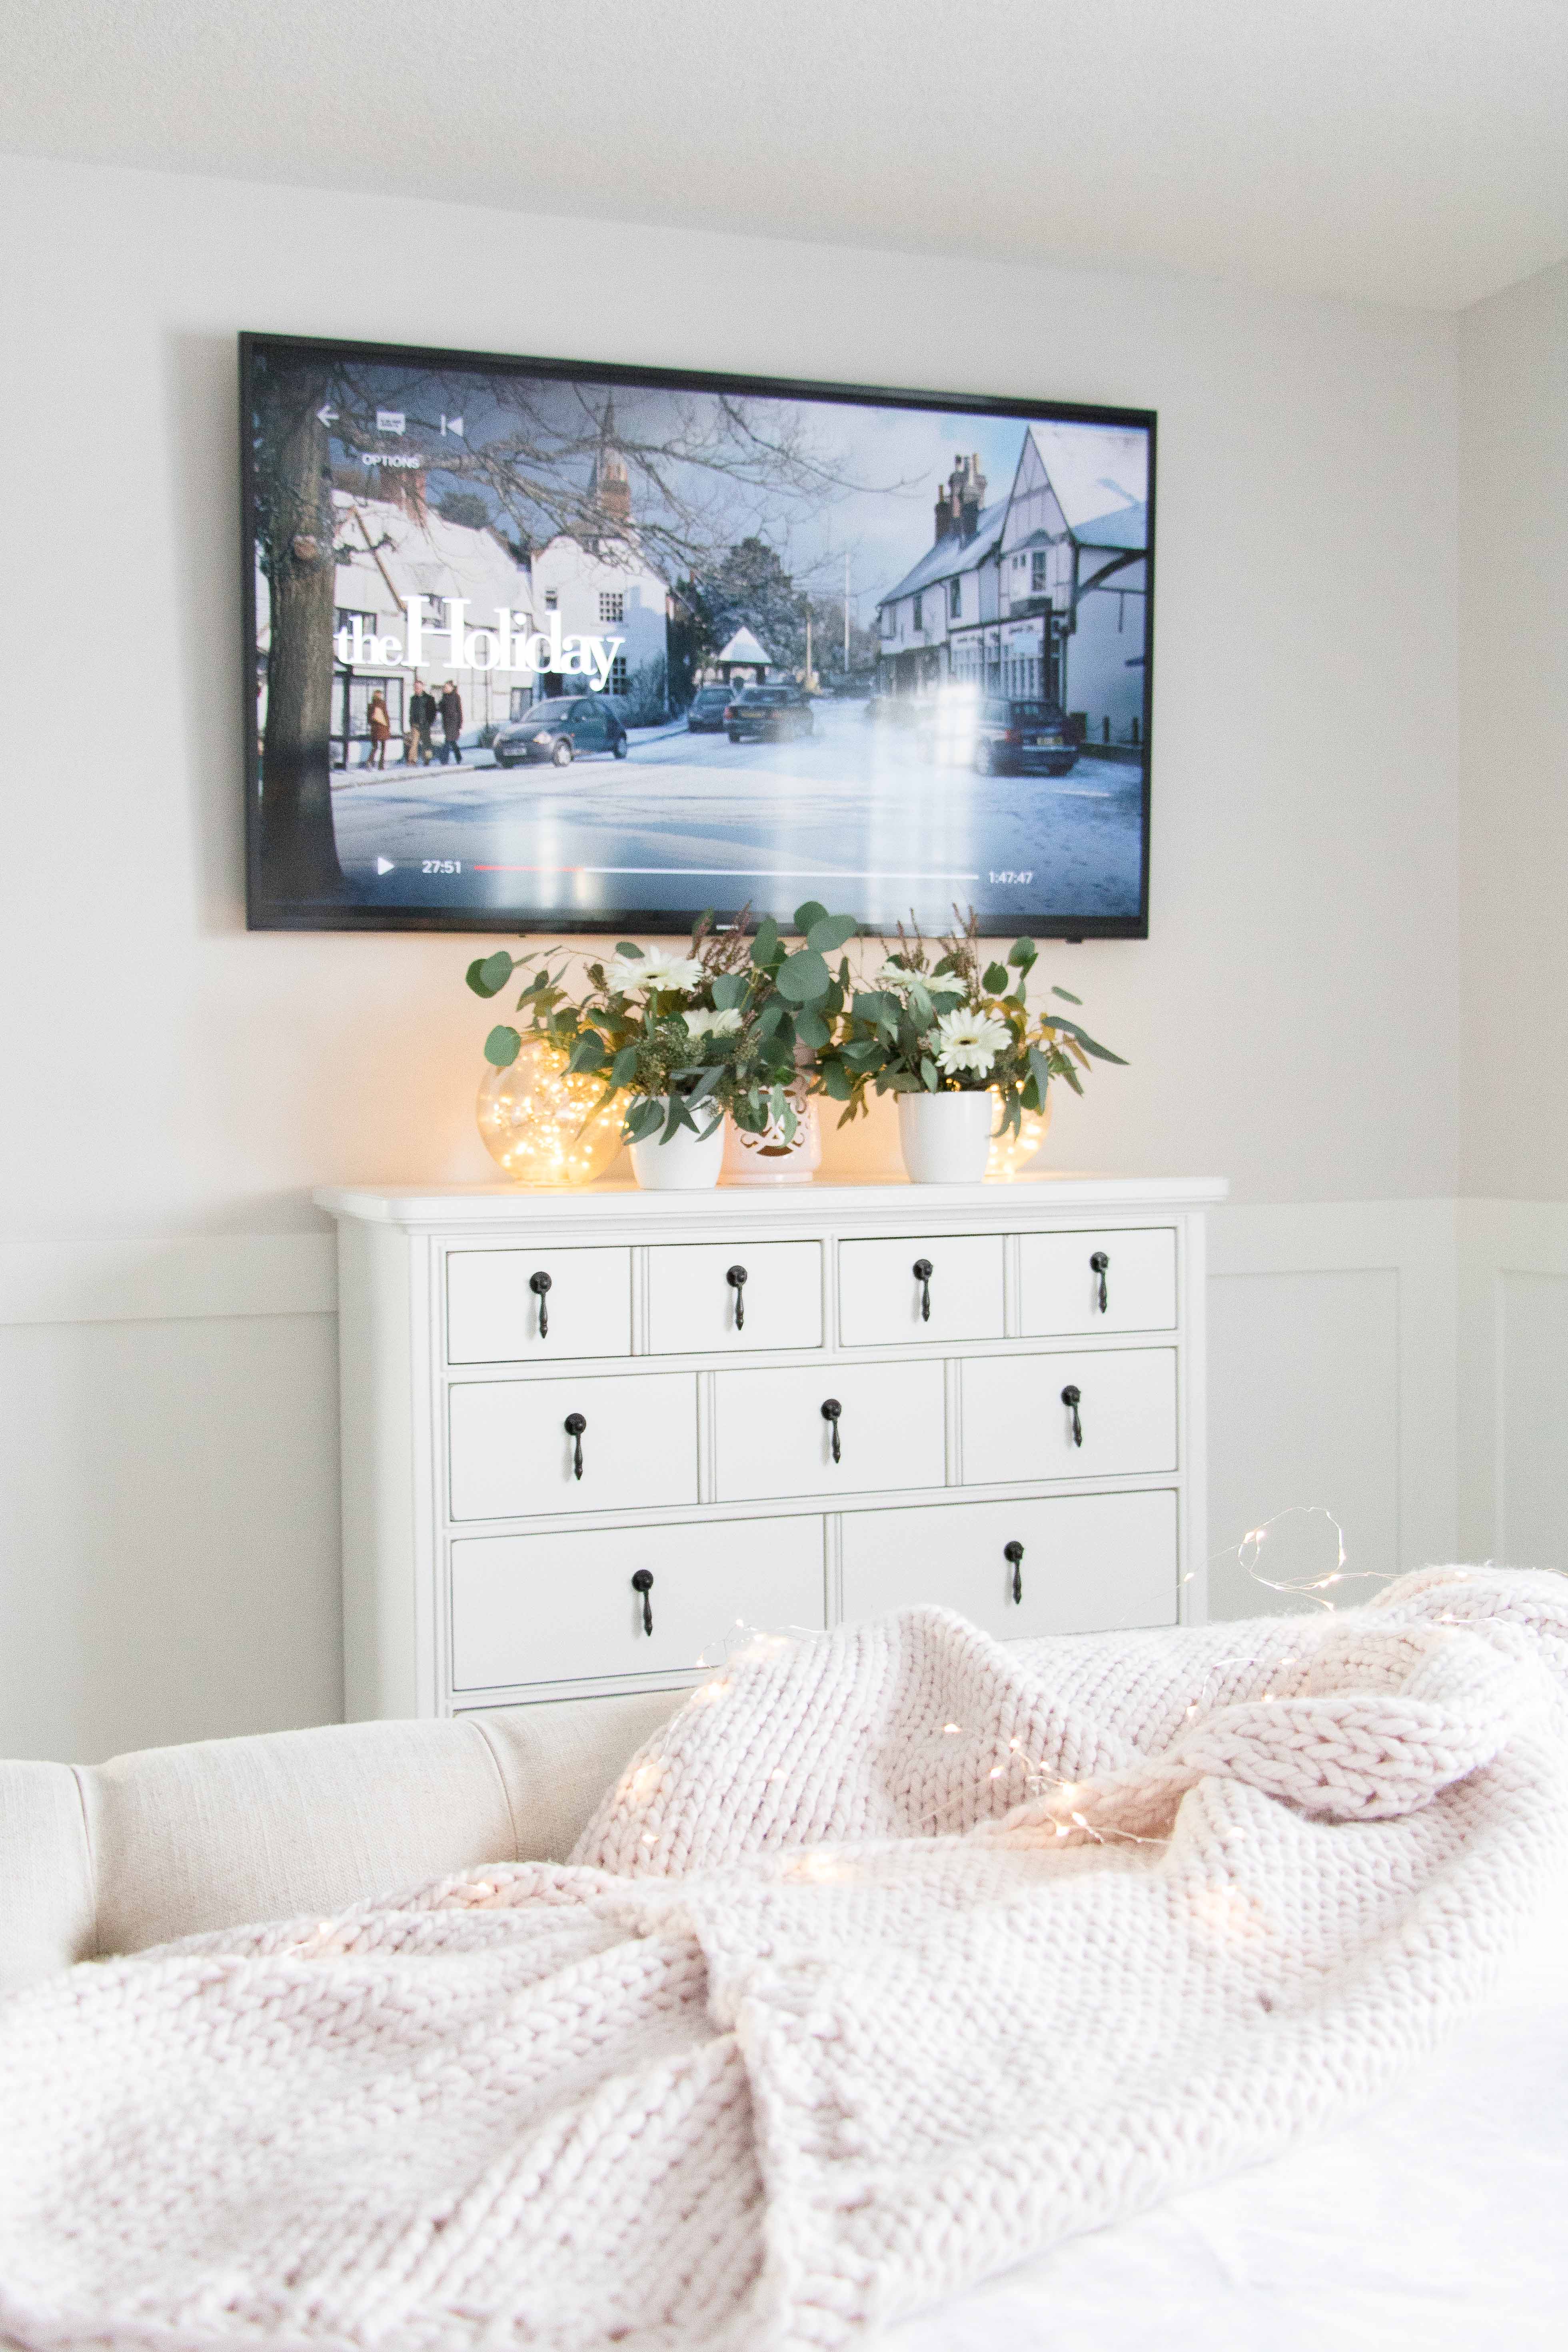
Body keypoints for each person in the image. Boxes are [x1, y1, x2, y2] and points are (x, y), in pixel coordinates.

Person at [405, 681, 436, 765]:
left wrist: (429, 722)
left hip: (425, 725)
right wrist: (412, 723)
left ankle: (427, 760)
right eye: (415, 688)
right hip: (416, 725)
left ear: (423, 688)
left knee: (427, 744)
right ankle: (412, 760)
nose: (417, 689)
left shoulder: (429, 699)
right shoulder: (413, 699)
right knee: (414, 743)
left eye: (418, 688)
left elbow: (433, 712)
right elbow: (411, 712)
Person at [439, 682, 463, 764]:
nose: (445, 689)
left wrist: (460, 724)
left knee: (448, 740)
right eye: (444, 687)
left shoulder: (456, 697)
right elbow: (441, 709)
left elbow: (459, 711)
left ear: (452, 688)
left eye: (447, 687)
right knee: (452, 741)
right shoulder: (444, 697)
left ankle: (444, 760)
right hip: (446, 723)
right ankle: (459, 757)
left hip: (454, 722)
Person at [366, 689, 391, 769]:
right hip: (383, 728)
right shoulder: (382, 704)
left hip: (374, 729)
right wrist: (388, 726)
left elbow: (369, 720)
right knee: (383, 747)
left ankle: (370, 760)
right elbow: (386, 716)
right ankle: (381, 765)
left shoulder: (371, 705)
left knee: (375, 747)